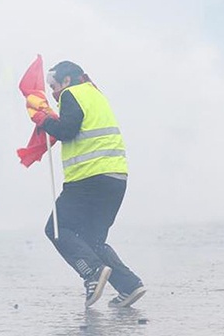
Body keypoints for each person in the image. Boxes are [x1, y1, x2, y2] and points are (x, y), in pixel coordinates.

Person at [27, 60, 146, 308]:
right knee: (92, 240)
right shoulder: (95, 94)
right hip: (115, 179)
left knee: (57, 229)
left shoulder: (72, 94)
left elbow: (68, 130)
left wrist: (43, 119)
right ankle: (130, 286)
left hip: (88, 179)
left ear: (67, 81)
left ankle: (91, 272)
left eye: (53, 85)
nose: (52, 92)